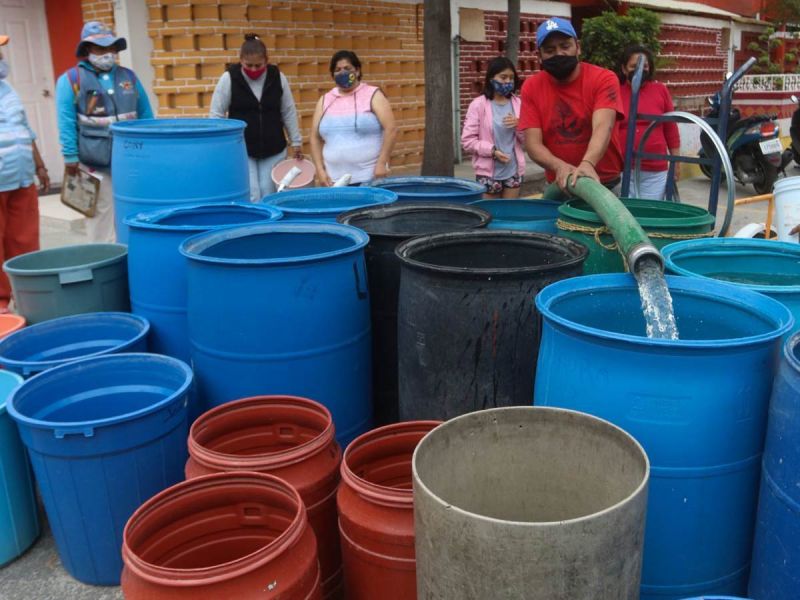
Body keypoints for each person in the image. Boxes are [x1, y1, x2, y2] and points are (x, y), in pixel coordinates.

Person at [55, 21, 153, 243]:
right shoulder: (71, 80)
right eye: (100, 49)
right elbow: (66, 121)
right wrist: (70, 157)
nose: (107, 53)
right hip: (94, 160)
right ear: (88, 50)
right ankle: (104, 262)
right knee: (102, 215)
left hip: (132, 158)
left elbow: (146, 115)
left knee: (132, 210)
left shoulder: (129, 77)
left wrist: (153, 148)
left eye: (111, 48)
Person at [519, 17, 624, 193]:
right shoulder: (531, 87)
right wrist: (559, 166)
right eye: (550, 50)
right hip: (558, 186)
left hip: (604, 185)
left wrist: (587, 163)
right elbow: (533, 144)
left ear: (578, 47)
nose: (559, 54)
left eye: (565, 46)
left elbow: (603, 126)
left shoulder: (603, 79)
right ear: (540, 56)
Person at [210, 34, 302, 201]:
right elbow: (216, 114)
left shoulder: (277, 77)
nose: (253, 70)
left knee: (269, 192)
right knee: (252, 192)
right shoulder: (229, 78)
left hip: (274, 147)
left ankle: (269, 226)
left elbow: (288, 110)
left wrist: (296, 140)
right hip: (242, 148)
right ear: (240, 60)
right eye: (248, 65)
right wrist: (220, 146)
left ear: (267, 61)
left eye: (258, 65)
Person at [0, 34, 49, 313]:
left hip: (21, 177)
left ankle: (28, 291)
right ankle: (1, 302)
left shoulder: (8, 90)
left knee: (25, 238)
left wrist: (40, 165)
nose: (1, 60)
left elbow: (25, 130)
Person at [310, 50, 397, 186]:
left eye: (347, 68)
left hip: (369, 177)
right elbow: (314, 137)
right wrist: (320, 170)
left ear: (357, 71)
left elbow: (391, 129)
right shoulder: (325, 100)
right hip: (333, 181)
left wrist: (382, 162)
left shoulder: (373, 94)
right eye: (337, 70)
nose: (342, 73)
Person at [618, 44, 680, 200]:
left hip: (655, 170)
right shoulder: (615, 91)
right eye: (634, 66)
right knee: (625, 215)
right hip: (623, 168)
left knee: (651, 213)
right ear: (624, 69)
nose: (640, 69)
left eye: (644, 66)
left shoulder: (660, 90)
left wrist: (675, 163)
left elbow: (670, 128)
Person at [461, 57, 525, 199]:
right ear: (491, 78)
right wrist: (492, 151)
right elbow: (467, 141)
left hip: (513, 171)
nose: (508, 81)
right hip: (488, 173)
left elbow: (527, 139)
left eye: (511, 78)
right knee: (491, 216)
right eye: (503, 77)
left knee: (509, 215)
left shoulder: (518, 103)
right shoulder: (478, 105)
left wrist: (519, 125)